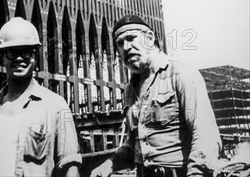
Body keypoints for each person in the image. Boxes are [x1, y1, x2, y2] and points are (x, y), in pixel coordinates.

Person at [91, 14, 221, 177]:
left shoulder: (181, 75)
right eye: (120, 43)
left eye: (131, 38)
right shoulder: (131, 90)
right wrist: (108, 165)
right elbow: (134, 145)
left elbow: (206, 137)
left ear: (150, 38)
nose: (125, 47)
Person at [0, 17, 82, 176]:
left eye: (25, 52)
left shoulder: (57, 106)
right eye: (11, 52)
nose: (19, 59)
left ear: (34, 57)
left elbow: (70, 167)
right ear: (2, 57)